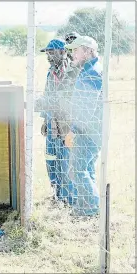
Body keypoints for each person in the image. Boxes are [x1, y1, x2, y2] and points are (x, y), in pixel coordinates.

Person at [35, 38, 79, 204]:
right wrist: (45, 120)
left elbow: (69, 99)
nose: (48, 56)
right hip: (52, 123)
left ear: (63, 52)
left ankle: (68, 198)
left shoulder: (71, 72)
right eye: (47, 52)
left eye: (52, 52)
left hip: (67, 126)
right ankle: (56, 193)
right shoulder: (50, 72)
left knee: (66, 160)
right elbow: (48, 96)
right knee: (51, 159)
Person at [64, 36, 103, 216]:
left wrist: (74, 130)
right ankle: (84, 207)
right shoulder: (89, 69)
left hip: (88, 132)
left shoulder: (92, 72)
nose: (72, 54)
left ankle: (94, 208)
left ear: (88, 51)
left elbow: (86, 109)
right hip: (92, 131)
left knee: (77, 171)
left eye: (76, 50)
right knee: (86, 170)